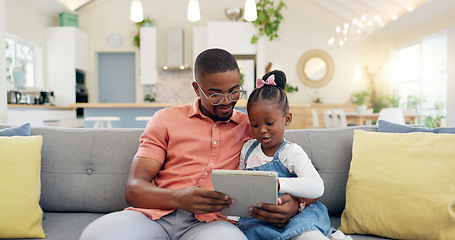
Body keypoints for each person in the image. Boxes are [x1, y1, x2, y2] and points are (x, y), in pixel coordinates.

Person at [80, 49, 300, 240]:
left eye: (234, 91)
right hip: (153, 217)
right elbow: (134, 187)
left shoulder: (251, 127)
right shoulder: (166, 119)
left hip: (212, 225)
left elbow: (292, 165)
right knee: (95, 235)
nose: (226, 101)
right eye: (215, 94)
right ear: (197, 89)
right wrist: (179, 198)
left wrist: (296, 204)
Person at [236, 70, 333, 240]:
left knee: (308, 235)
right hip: (259, 219)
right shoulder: (247, 149)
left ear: (287, 119)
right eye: (255, 125)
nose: (262, 130)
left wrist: (276, 183)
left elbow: (317, 186)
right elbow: (239, 189)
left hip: (297, 216)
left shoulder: (291, 152)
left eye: (269, 123)